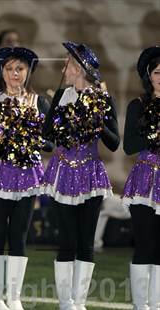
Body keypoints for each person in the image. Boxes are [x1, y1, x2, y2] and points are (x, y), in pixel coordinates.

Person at [42, 42, 120, 310]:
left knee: (86, 240)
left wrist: (96, 123)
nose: (64, 67)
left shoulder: (103, 99)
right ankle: (66, 302)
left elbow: (114, 143)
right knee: (67, 239)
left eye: (68, 63)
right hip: (63, 172)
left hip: (90, 174)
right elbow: (46, 135)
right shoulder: (61, 96)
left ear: (79, 68)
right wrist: (63, 124)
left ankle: (80, 302)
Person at [0, 47, 51, 310]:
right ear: (2, 72)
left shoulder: (39, 102)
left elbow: (51, 142)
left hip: (27, 175)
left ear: (28, 72)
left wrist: (34, 136)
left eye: (19, 69)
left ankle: (14, 297)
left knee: (19, 235)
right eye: (9, 69)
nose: (14, 74)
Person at [122, 46, 160, 310]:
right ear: (149, 75)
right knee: (145, 244)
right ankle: (140, 305)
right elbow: (129, 146)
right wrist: (154, 134)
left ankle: (155, 303)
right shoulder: (138, 105)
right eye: (158, 72)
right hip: (144, 179)